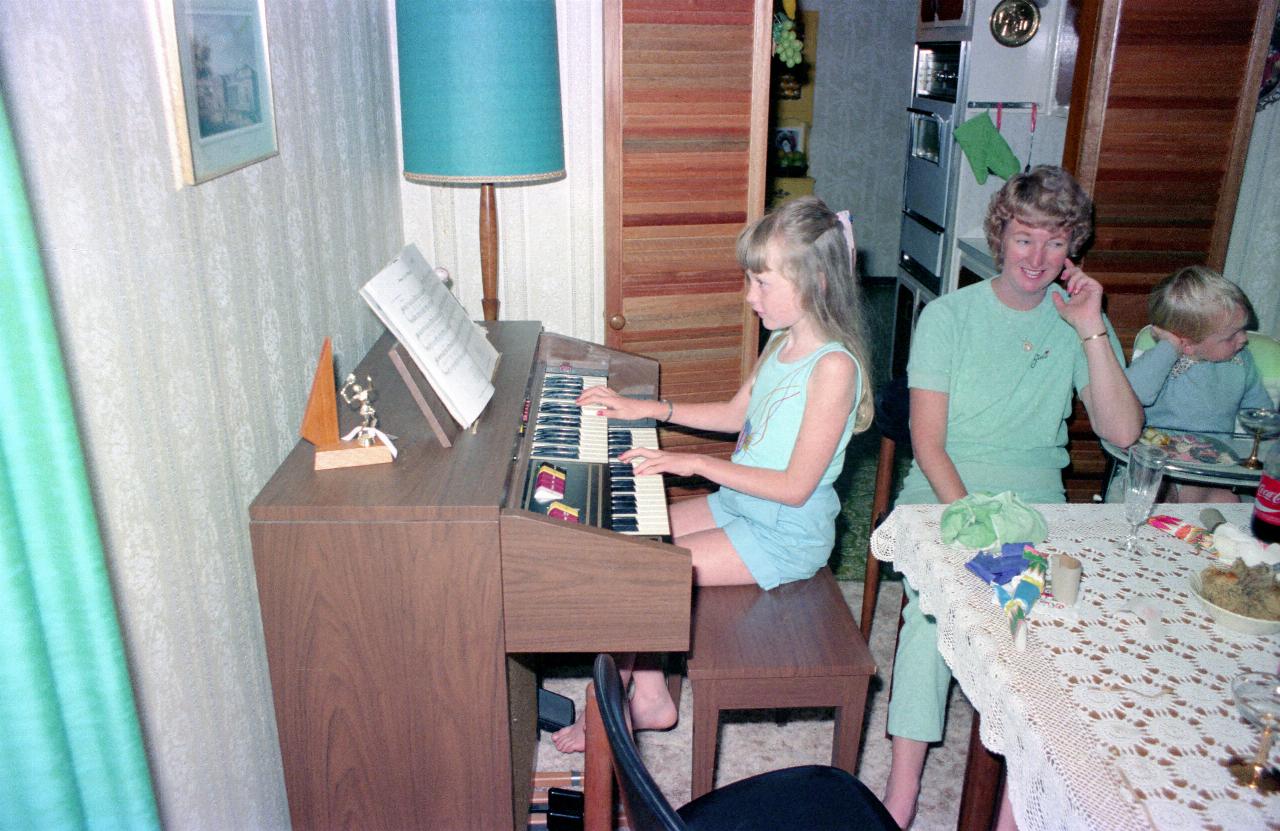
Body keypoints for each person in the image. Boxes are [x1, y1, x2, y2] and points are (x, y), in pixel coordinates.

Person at [551, 195, 874, 753]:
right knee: (627, 544)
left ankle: (606, 714)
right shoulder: (783, 341)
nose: (750, 297)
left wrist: (697, 464)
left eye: (762, 283)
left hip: (784, 534)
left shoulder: (835, 368)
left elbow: (796, 487)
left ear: (816, 280)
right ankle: (651, 695)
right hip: (742, 507)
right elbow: (734, 415)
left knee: (637, 575)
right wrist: (652, 409)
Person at [883, 166, 1143, 828]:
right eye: (1026, 238)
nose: (1038, 258)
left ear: (1073, 249)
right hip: (945, 492)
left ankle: (1017, 805)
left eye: (1056, 243)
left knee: (1041, 633)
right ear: (1001, 236)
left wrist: (1090, 326)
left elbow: (1124, 431)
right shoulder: (948, 316)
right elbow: (929, 441)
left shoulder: (1076, 320)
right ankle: (903, 788)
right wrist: (973, 526)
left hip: (1036, 505)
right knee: (933, 617)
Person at [1125, 266, 1274, 503]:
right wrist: (1169, 348)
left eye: (1242, 329)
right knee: (1163, 497)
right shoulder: (1162, 362)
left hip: (1214, 464)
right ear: (1188, 344)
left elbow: (1259, 413)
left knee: (1227, 503)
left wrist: (1268, 430)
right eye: (1231, 336)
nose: (1244, 339)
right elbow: (1129, 395)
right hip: (1161, 462)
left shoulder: (1240, 362)